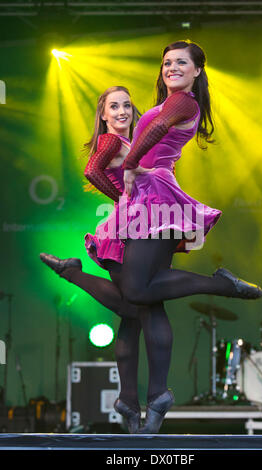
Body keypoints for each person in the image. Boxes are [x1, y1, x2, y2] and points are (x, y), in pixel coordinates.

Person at [40, 86, 174, 435]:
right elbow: (93, 171)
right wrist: (126, 199)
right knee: (141, 307)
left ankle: (128, 403)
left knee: (131, 316)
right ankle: (73, 275)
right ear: (103, 115)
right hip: (128, 231)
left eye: (127, 105)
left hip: (142, 229)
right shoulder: (112, 142)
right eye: (113, 106)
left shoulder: (134, 144)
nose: (121, 111)